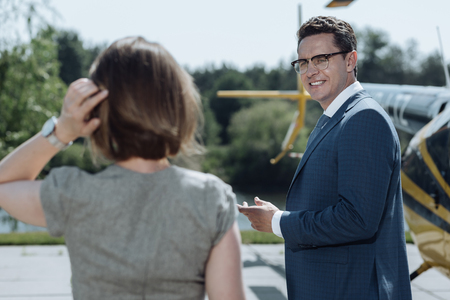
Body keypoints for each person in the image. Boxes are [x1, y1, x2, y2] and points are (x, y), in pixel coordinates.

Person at [0, 36, 245, 300]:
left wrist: (62, 130)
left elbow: (4, 183)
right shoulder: (211, 199)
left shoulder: (73, 193)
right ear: (179, 107)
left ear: (97, 114)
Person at [238, 16, 412, 299]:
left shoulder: (363, 118)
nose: (310, 71)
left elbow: (356, 218)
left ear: (350, 61)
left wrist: (278, 222)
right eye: (303, 63)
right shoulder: (336, 118)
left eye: (321, 59)